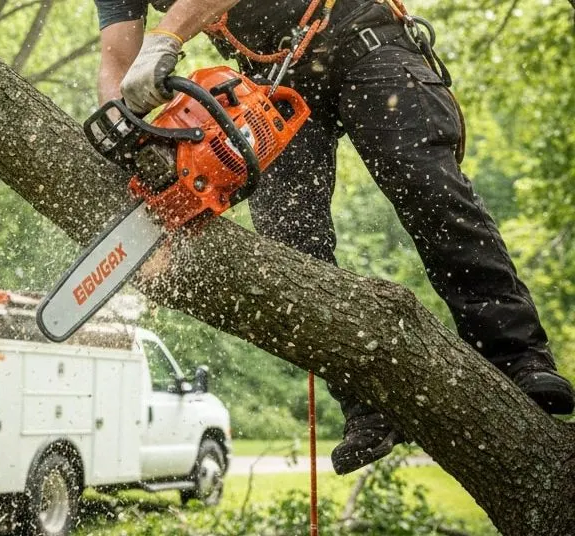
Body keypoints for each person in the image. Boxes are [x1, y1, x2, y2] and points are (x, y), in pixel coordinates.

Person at [92, 0, 575, 474]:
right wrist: (122, 124)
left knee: (425, 185)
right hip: (275, 76)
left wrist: (167, 36)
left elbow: (165, 35)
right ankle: (366, 401)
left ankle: (517, 357)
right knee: (288, 239)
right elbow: (116, 59)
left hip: (361, 35)